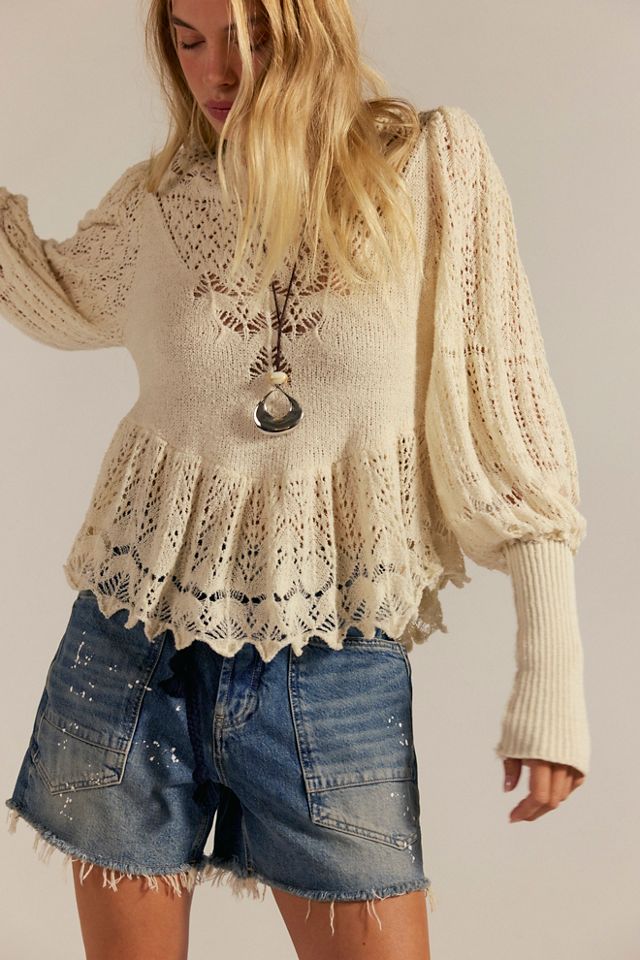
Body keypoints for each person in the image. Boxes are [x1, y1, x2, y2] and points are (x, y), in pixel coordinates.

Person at [1, 1, 590, 958]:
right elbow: (53, 292)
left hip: (332, 662)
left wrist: (550, 684)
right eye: (188, 40)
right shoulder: (159, 202)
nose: (215, 71)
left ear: (312, 28)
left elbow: (510, 423)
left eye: (250, 36)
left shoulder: (426, 165)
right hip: (128, 650)